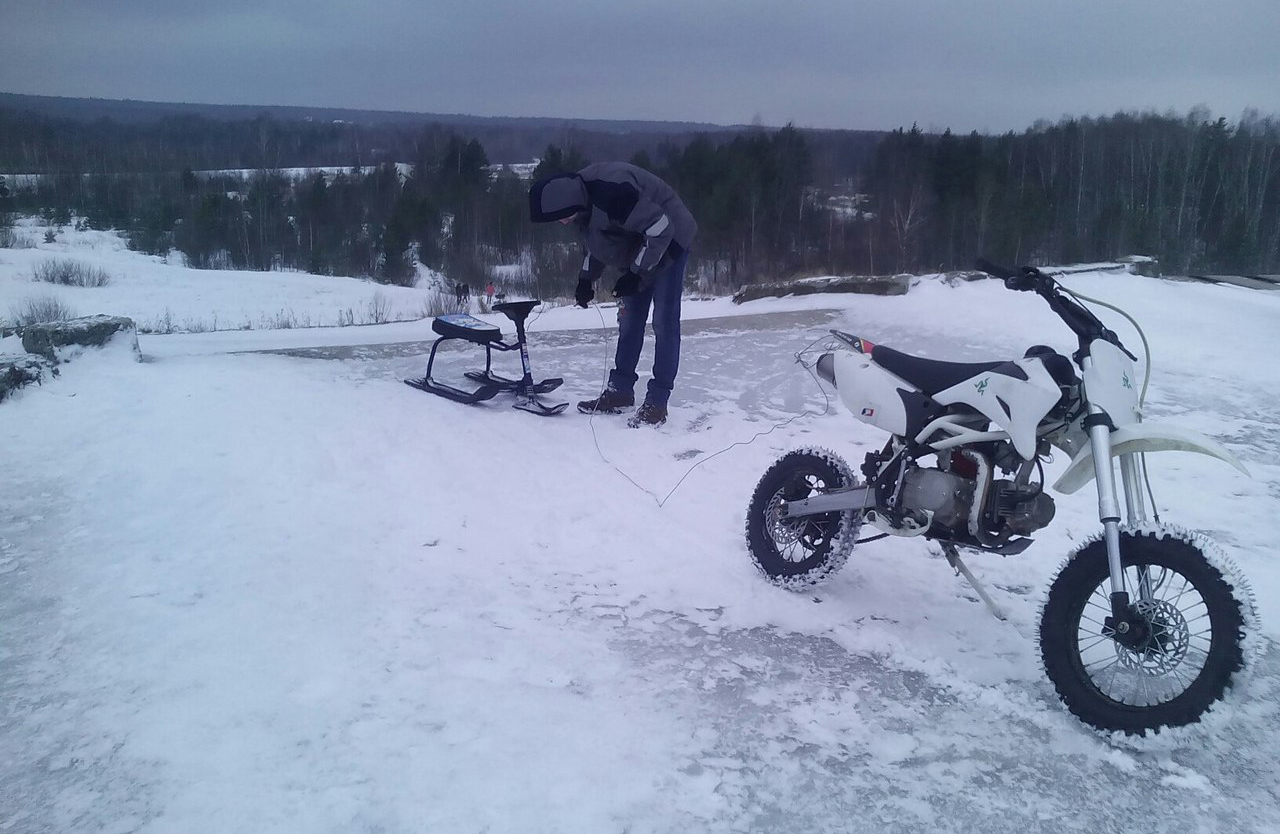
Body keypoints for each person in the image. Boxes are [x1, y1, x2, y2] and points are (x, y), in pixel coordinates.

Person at [528, 162, 696, 427]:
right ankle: (620, 391)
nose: (562, 223)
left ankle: (657, 401)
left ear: (570, 203)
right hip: (642, 242)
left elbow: (661, 229)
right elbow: (598, 243)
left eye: (562, 217)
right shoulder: (583, 204)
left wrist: (637, 273)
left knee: (664, 320)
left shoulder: (613, 194)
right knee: (630, 319)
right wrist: (586, 280)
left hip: (671, 237)